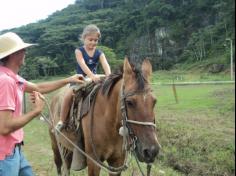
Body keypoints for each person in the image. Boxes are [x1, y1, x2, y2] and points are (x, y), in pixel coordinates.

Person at [0, 32, 84, 176]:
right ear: (14, 54)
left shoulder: (12, 78)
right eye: (22, 49)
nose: (25, 52)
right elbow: (5, 127)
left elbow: (39, 88)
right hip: (5, 156)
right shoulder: (6, 81)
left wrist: (68, 80)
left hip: (15, 150)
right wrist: (36, 111)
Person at [55, 24, 111, 131]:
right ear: (84, 38)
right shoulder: (79, 51)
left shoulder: (99, 53)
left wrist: (109, 75)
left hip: (94, 78)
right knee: (69, 95)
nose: (93, 42)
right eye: (90, 39)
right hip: (80, 79)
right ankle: (62, 121)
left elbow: (105, 64)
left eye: (96, 40)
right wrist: (91, 76)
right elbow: (82, 64)